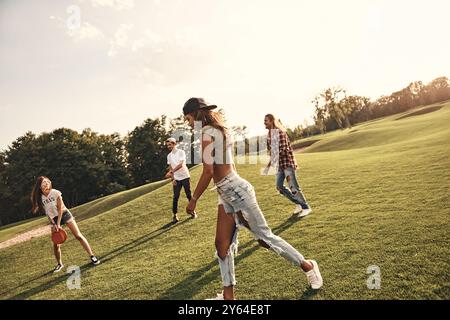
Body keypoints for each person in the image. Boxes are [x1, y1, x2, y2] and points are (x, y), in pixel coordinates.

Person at [183, 98, 323, 300]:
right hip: (228, 193)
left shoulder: (207, 133)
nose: (188, 124)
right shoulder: (218, 130)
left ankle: (309, 266)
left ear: (195, 114)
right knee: (222, 245)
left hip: (236, 192)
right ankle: (228, 296)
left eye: (188, 119)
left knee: (266, 239)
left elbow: (207, 171)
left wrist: (194, 199)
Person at [31, 176, 100, 273]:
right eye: (43, 182)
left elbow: (60, 209)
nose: (46, 183)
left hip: (64, 214)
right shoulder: (40, 198)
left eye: (47, 181)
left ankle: (92, 256)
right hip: (54, 219)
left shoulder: (55, 193)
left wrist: (59, 223)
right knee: (56, 243)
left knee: (78, 236)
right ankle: (59, 264)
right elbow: (48, 213)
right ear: (39, 186)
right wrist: (54, 224)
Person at [264, 114, 312, 217]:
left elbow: (283, 150)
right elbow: (272, 152)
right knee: (279, 187)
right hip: (280, 166)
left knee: (293, 187)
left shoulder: (280, 133)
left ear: (272, 121)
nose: (264, 123)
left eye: (266, 121)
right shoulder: (269, 136)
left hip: (287, 164)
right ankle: (298, 203)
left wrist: (272, 160)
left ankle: (306, 207)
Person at [165, 137, 197, 223]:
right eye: (167, 145)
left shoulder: (181, 152)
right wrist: (173, 179)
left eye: (170, 144)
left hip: (185, 176)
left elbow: (181, 165)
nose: (168, 146)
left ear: (174, 144)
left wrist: (171, 172)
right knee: (175, 197)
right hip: (177, 179)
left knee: (188, 195)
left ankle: (192, 211)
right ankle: (175, 215)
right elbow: (171, 167)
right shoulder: (169, 156)